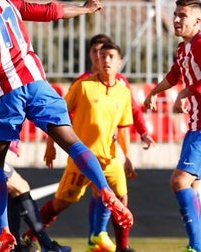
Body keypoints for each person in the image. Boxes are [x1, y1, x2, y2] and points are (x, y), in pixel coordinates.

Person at [0, 0, 133, 252]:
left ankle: (5, 230)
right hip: (36, 84)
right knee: (72, 142)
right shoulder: (7, 2)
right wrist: (85, 8)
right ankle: (104, 189)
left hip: (6, 92)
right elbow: (50, 11)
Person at [41, 33, 154, 252]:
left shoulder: (122, 88)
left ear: (119, 61)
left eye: (108, 54)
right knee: (62, 202)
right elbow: (60, 114)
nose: (103, 59)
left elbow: (128, 118)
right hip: (82, 154)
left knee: (118, 197)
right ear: (94, 56)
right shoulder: (82, 84)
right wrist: (53, 142)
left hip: (109, 157)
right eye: (98, 53)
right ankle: (31, 235)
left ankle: (108, 239)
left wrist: (135, 143)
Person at [0, 55, 71, 252]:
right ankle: (45, 245)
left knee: (8, 191)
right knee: (20, 187)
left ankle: (16, 243)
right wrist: (6, 134)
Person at [143, 0, 201, 252]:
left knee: (179, 181)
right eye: (176, 14)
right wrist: (153, 94)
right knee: (191, 186)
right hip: (196, 125)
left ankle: (196, 247)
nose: (177, 19)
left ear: (197, 20)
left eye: (183, 15)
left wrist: (186, 93)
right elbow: (174, 75)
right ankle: (198, 244)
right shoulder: (183, 49)